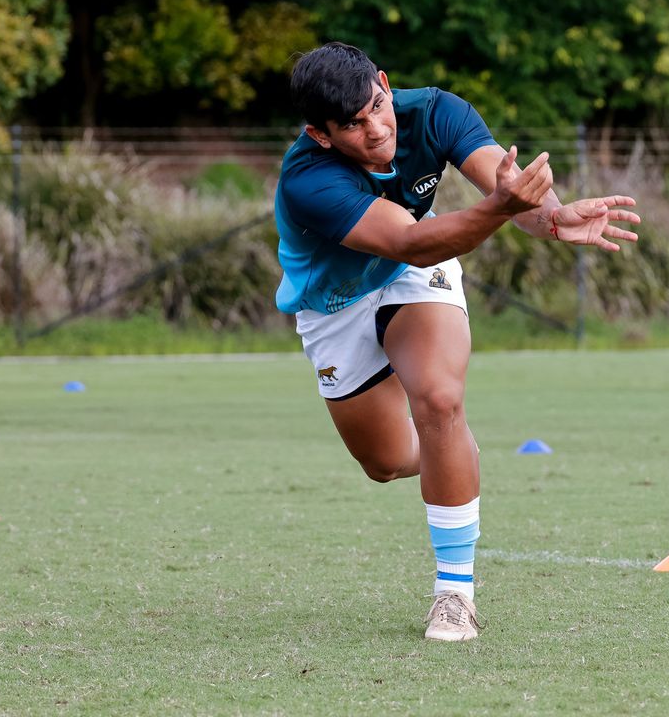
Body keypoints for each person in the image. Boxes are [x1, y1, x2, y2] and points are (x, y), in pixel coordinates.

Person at [274, 42, 640, 641]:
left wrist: (552, 216)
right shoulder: (307, 179)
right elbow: (412, 240)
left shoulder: (438, 112)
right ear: (320, 134)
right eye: (353, 125)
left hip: (416, 273)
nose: (376, 129)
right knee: (386, 462)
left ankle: (454, 595)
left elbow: (505, 181)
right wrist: (500, 206)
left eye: (377, 107)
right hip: (336, 304)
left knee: (439, 400)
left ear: (386, 84)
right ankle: (455, 457)